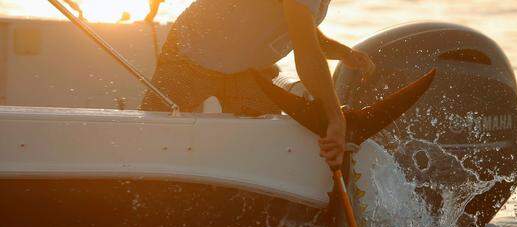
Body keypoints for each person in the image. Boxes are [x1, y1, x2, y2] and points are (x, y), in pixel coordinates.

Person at [140, 0, 374, 168]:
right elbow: (306, 49)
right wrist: (335, 117)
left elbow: (300, 25)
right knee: (151, 143)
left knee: (259, 150)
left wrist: (341, 52)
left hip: (247, 70)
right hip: (191, 56)